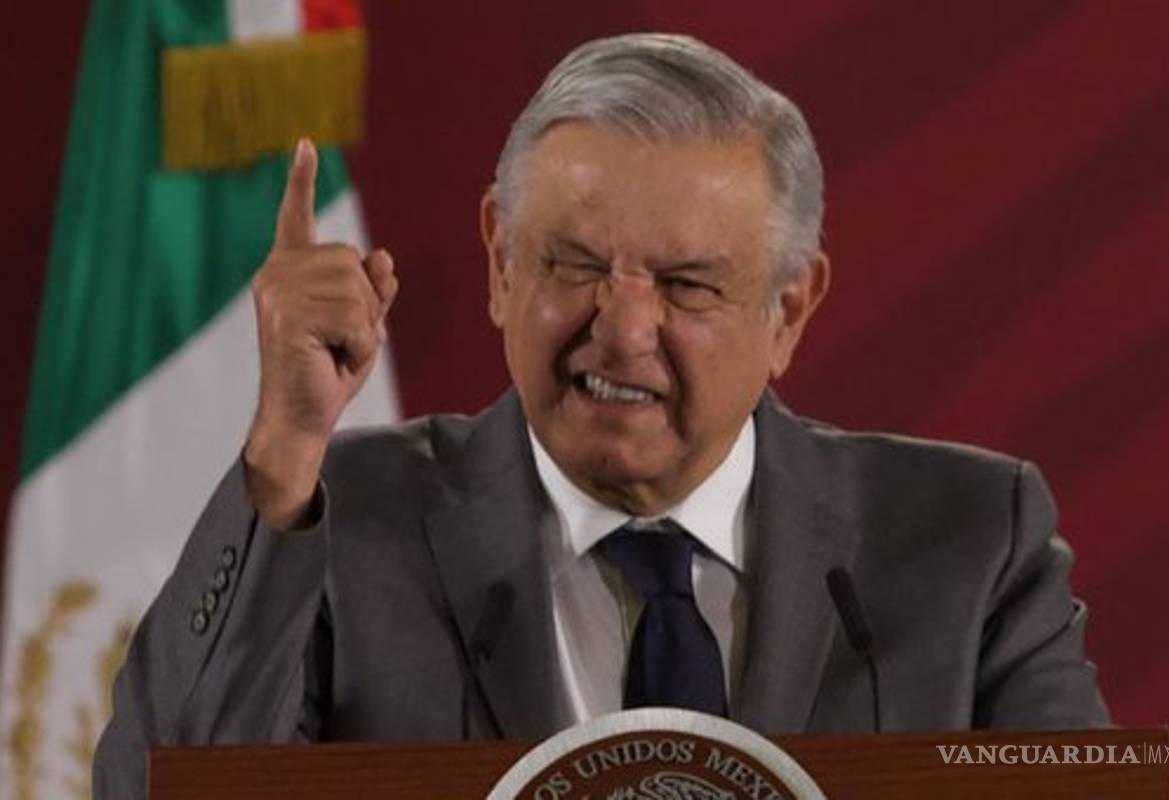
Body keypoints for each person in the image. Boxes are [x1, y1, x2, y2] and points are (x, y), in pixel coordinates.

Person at [93, 33, 1108, 797]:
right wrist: (282, 453)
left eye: (687, 284)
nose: (621, 330)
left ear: (789, 308)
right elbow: (158, 790)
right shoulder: (336, 525)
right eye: (573, 265)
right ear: (500, 263)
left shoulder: (970, 541)